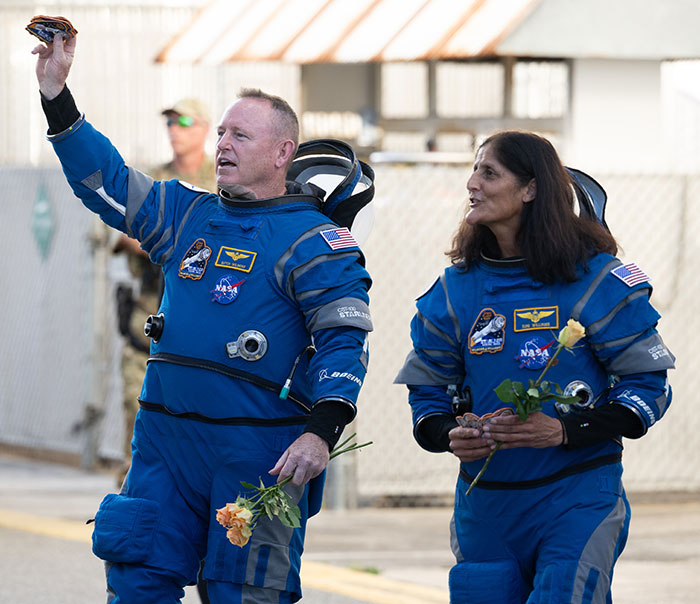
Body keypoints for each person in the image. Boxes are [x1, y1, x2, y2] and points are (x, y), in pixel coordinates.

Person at [33, 33, 372, 604]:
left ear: (283, 152)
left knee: (246, 593)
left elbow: (343, 339)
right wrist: (57, 96)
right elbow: (106, 182)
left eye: (240, 135)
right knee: (136, 580)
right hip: (165, 444)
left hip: (256, 453)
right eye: (220, 133)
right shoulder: (186, 214)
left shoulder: (316, 242)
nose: (222, 145)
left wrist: (321, 431)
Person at [395, 130, 674, 603]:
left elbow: (648, 388)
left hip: (577, 496)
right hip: (486, 503)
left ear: (530, 188)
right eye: (474, 170)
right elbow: (428, 397)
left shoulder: (597, 280)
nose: (471, 184)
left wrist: (564, 430)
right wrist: (448, 434)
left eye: (489, 172)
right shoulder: (453, 292)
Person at [113, 96, 215, 486]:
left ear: (205, 128)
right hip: (149, 325)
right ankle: (131, 514)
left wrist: (161, 235)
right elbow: (124, 232)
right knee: (137, 425)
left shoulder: (222, 180)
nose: (175, 129)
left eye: (184, 121)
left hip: (203, 331)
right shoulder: (154, 181)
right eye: (170, 122)